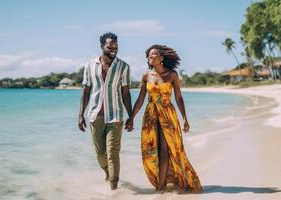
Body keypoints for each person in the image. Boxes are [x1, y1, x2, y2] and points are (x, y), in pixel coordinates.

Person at [125, 44, 202, 193]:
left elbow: (178, 97)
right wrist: (132, 117)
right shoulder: (146, 76)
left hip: (167, 115)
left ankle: (161, 186)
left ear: (161, 58)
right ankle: (161, 182)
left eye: (154, 54)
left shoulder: (172, 75)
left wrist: (185, 118)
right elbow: (141, 99)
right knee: (150, 151)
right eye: (149, 55)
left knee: (166, 151)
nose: (151, 57)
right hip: (151, 116)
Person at [78, 32, 132, 190]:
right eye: (110, 45)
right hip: (95, 115)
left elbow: (126, 93)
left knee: (113, 152)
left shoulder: (123, 66)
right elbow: (86, 91)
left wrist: (131, 116)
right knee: (100, 154)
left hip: (116, 115)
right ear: (102, 46)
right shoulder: (89, 66)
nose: (114, 48)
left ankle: (114, 189)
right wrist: (80, 115)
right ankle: (108, 173)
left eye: (116, 45)